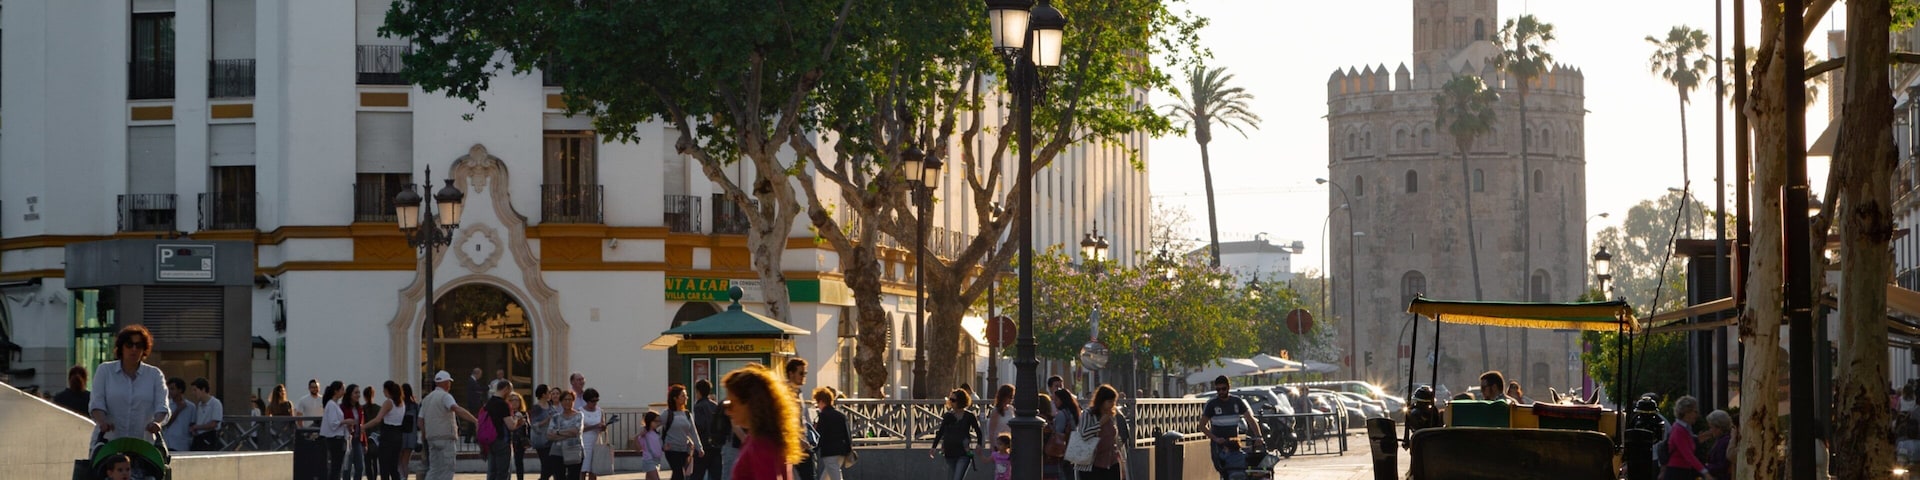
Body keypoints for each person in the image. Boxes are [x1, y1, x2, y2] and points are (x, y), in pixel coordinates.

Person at [89, 325, 171, 451]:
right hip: (109, 443)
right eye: (129, 345)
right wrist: (102, 422)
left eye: (139, 345)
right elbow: (97, 402)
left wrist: (157, 423)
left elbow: (162, 405)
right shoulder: (105, 371)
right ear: (121, 347)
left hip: (143, 445)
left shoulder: (154, 375)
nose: (134, 349)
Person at [722, 363, 802, 480]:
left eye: (731, 404)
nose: (727, 412)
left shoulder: (760, 445)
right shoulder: (768, 438)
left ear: (750, 404)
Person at [1199, 375, 1262, 480]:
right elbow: (1202, 426)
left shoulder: (1237, 402)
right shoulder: (1211, 404)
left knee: (1238, 467)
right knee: (1223, 469)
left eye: (1223, 389)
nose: (1221, 392)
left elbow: (1250, 419)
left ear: (1228, 387)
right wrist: (1215, 439)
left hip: (1234, 444)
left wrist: (1258, 437)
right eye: (1218, 390)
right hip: (1219, 444)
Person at [423, 371, 479, 480]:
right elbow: (456, 409)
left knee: (434, 469)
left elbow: (420, 420)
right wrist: (474, 420)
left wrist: (425, 434)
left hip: (431, 438)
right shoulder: (446, 396)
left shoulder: (427, 399)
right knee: (447, 469)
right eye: (449, 382)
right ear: (446, 383)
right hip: (445, 438)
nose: (450, 385)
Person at [929, 388, 984, 480]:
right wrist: (934, 447)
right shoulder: (948, 416)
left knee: (957, 478)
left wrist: (979, 444)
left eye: (953, 400)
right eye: (950, 399)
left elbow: (978, 431)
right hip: (949, 453)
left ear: (961, 401)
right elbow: (941, 432)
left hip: (963, 453)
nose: (951, 402)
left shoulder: (969, 416)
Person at [362, 381, 407, 480]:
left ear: (387, 390)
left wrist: (364, 426)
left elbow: (377, 419)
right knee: (394, 467)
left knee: (384, 466)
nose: (383, 392)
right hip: (398, 434)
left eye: (384, 390)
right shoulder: (401, 402)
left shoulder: (389, 402)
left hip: (388, 434)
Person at [660, 384, 705, 480]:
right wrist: (662, 445)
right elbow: (655, 426)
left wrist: (699, 448)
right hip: (672, 450)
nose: (686, 398)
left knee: (677, 475)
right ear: (675, 398)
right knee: (679, 474)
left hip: (684, 450)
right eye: (683, 396)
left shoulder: (687, 414)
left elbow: (693, 432)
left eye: (686, 395)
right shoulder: (667, 414)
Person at [1659, 395, 1710, 480]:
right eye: (1695, 411)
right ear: (1686, 412)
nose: (1696, 415)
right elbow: (1687, 454)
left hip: (1682, 471)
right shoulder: (1678, 430)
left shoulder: (1685, 429)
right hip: (1676, 472)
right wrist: (1705, 472)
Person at [1083, 385, 1126, 480]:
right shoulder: (1088, 414)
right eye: (1109, 401)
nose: (1112, 404)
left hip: (1112, 460)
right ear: (1101, 401)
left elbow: (1115, 437)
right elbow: (1083, 435)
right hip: (1093, 462)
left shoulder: (1112, 414)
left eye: (1114, 401)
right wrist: (1100, 423)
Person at [785, 359, 817, 480]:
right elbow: (785, 420)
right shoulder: (786, 393)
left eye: (805, 373)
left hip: (801, 442)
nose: (804, 376)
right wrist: (798, 439)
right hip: (792, 444)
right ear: (791, 373)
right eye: (801, 373)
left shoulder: (798, 392)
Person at [812, 387, 851, 480]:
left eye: (817, 403)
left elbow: (820, 435)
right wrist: (848, 449)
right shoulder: (841, 416)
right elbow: (847, 434)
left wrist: (814, 449)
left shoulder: (823, 416)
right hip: (841, 452)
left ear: (821, 402)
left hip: (829, 452)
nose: (818, 406)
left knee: (835, 476)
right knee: (827, 476)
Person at [690, 379, 724, 480]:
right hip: (716, 446)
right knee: (716, 475)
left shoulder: (699, 406)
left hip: (704, 445)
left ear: (698, 392)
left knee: (697, 474)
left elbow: (700, 425)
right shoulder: (715, 405)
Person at [547, 390, 585, 480]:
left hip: (574, 450)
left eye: (570, 399)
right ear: (561, 401)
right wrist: (568, 433)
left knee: (574, 477)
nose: (567, 402)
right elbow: (549, 435)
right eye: (565, 399)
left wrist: (557, 432)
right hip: (557, 451)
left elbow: (576, 431)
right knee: (559, 477)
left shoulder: (579, 415)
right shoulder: (555, 417)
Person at [484, 380, 516, 480]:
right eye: (510, 391)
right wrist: (518, 421)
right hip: (502, 440)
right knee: (502, 472)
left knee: (492, 471)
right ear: (506, 389)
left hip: (490, 439)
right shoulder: (503, 404)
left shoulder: (489, 403)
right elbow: (511, 426)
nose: (510, 394)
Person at [320, 382, 351, 480]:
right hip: (335, 439)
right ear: (336, 391)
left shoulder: (334, 405)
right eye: (342, 389)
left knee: (337, 466)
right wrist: (346, 421)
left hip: (337, 438)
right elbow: (333, 423)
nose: (343, 392)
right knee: (336, 466)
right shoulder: (331, 405)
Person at [1050, 389, 1082, 479]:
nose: (1054, 402)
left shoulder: (1061, 414)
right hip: (1072, 446)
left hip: (1063, 448)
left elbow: (1059, 432)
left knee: (1063, 471)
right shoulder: (1073, 412)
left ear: (1062, 400)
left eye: (1056, 399)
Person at [188, 378, 224, 452]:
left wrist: (197, 427)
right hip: (198, 437)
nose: (193, 393)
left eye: (195, 390)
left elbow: (213, 424)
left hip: (209, 436)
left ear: (203, 389)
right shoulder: (200, 404)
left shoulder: (215, 403)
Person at [580, 388, 608, 480]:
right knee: (583, 469)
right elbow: (579, 429)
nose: (595, 403)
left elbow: (603, 424)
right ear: (587, 401)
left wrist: (603, 427)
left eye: (596, 400)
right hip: (585, 442)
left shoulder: (600, 411)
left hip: (596, 441)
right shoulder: (580, 411)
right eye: (592, 401)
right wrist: (594, 426)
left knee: (594, 469)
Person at [161, 377, 196, 452]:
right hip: (169, 442)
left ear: (180, 390)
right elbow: (165, 423)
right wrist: (178, 410)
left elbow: (192, 424)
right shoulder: (167, 405)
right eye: (168, 389)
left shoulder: (191, 407)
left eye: (172, 389)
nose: (170, 392)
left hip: (183, 444)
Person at [533, 386, 560, 480]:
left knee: (553, 465)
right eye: (549, 392)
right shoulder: (537, 408)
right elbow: (534, 425)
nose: (550, 394)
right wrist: (547, 420)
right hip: (541, 440)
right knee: (546, 465)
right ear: (543, 394)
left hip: (552, 439)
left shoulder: (550, 405)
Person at [1702, 409, 1733, 480]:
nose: (1710, 430)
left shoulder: (1724, 442)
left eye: (1711, 427)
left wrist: (1705, 467)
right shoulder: (1721, 440)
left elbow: (1722, 466)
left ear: (1719, 427)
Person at [637, 411, 667, 480]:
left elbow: (658, 445)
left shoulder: (656, 433)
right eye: (656, 421)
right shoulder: (645, 433)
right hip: (649, 459)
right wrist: (638, 436)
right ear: (649, 421)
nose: (658, 423)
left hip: (656, 459)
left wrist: (664, 447)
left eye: (659, 421)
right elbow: (639, 447)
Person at [400, 383, 422, 478]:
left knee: (399, 461)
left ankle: (400, 477)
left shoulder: (400, 406)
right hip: (411, 437)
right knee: (405, 462)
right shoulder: (415, 406)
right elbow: (418, 422)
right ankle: (405, 478)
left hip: (400, 436)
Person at [511, 392, 531, 480]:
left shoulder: (523, 413)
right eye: (512, 400)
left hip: (520, 441)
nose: (515, 402)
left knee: (519, 462)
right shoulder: (507, 413)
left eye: (517, 400)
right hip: (509, 440)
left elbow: (528, 427)